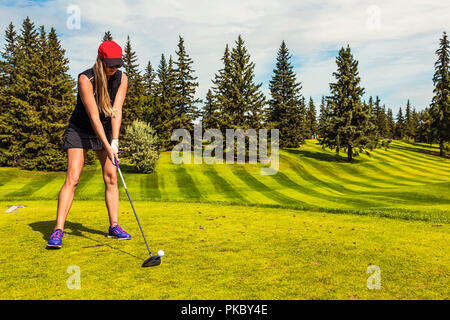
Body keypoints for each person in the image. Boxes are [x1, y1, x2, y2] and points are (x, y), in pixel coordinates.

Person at [47, 40, 129, 248]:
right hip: (81, 129)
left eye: (117, 65)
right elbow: (93, 117)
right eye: (110, 64)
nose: (114, 69)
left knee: (111, 176)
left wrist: (115, 142)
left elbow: (116, 111)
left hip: (106, 127)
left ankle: (114, 226)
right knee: (73, 177)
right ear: (100, 60)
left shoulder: (122, 78)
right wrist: (107, 145)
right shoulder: (86, 79)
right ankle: (58, 229)